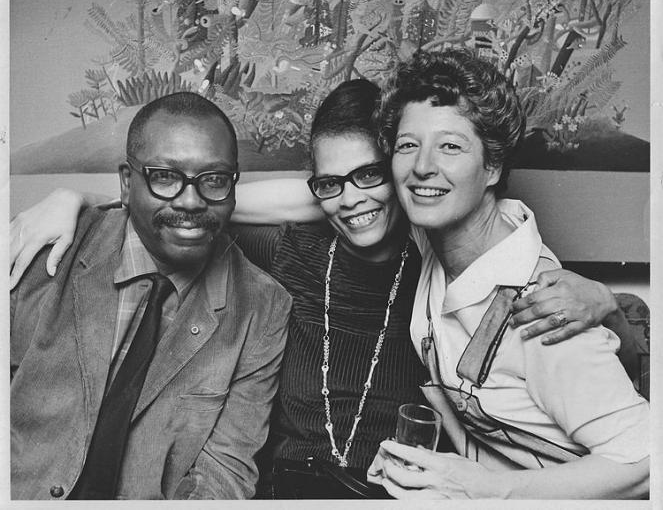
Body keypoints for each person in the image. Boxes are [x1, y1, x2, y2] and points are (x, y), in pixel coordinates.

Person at [10, 81, 632, 499]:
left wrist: (609, 302)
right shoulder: (291, 252)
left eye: (369, 174)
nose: (353, 199)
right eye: (330, 184)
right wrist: (83, 197)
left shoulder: (438, 255)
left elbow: (521, 268)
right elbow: (194, 207)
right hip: (282, 487)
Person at [366, 49, 649, 499]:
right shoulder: (432, 233)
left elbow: (647, 462)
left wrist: (485, 489)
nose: (422, 167)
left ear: (493, 167)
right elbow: (339, 196)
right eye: (407, 145)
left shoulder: (542, 309)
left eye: (451, 146)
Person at [10, 92, 292, 500]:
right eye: (165, 176)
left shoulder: (262, 308)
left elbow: (225, 471)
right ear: (127, 182)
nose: (191, 201)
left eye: (213, 180)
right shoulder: (44, 254)